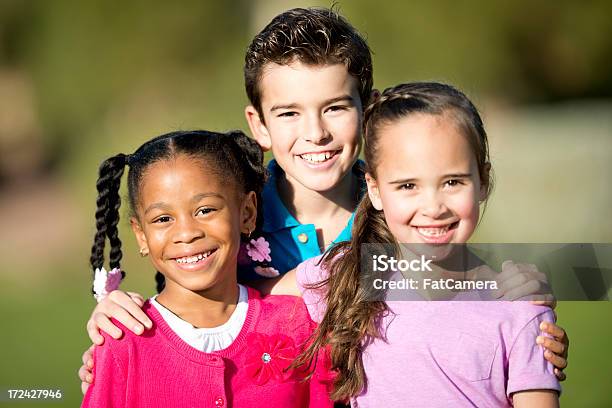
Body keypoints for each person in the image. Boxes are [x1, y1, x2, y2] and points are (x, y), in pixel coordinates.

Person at [78, 7, 568, 392]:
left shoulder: (405, 211)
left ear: (366, 108)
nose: (315, 134)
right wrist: (119, 325)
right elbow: (186, 316)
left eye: (335, 107)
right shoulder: (228, 221)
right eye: (289, 113)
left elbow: (464, 288)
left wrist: (518, 317)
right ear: (259, 125)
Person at [295, 82, 561, 407]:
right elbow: (234, 301)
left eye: (452, 182)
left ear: (483, 182)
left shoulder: (520, 309)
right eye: (408, 185)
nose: (434, 208)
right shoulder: (346, 274)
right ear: (376, 191)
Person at [81, 130, 333, 407]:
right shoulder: (122, 342)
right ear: (141, 235)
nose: (186, 233)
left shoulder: (298, 325)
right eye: (163, 218)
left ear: (246, 213)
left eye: (205, 210)